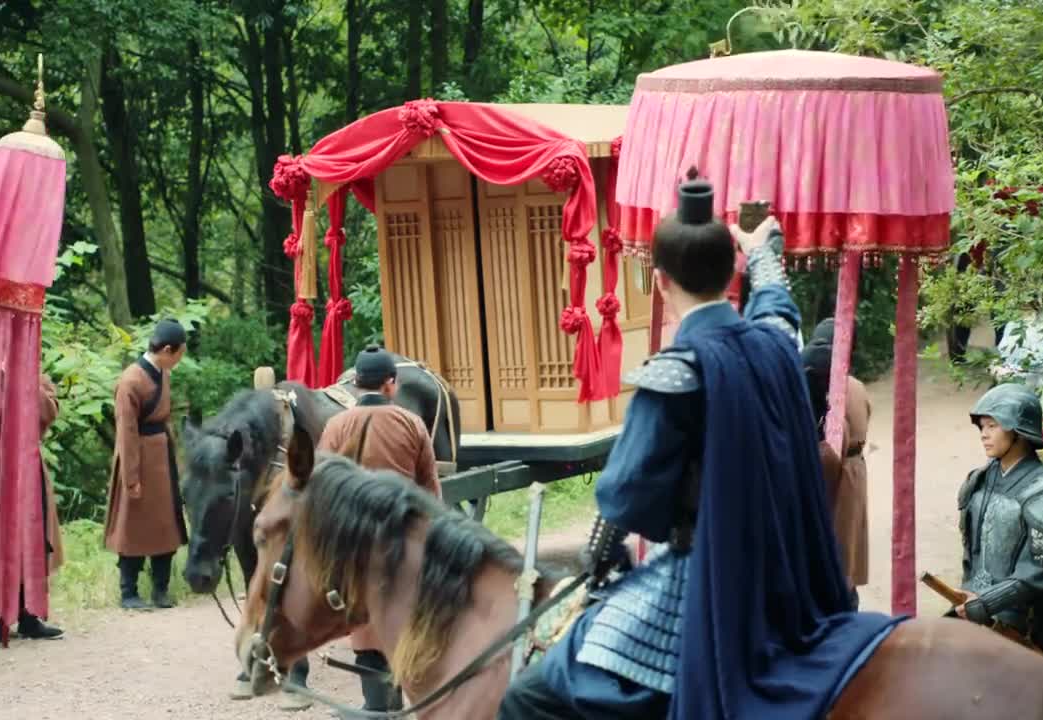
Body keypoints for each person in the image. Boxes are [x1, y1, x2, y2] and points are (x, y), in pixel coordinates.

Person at [497, 175, 900, 720]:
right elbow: (778, 308)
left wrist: (600, 558)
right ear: (730, 270)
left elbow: (626, 501)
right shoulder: (776, 346)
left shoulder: (674, 374)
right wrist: (763, 251)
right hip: (791, 576)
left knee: (528, 698)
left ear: (660, 281)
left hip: (705, 583)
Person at [317, 345, 441, 714]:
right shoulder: (412, 424)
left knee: (366, 628)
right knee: (405, 623)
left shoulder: (337, 426)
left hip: (357, 546)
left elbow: (322, 489)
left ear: (356, 383)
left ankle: (378, 706)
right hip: (403, 541)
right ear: (391, 384)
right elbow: (430, 492)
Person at [954, 383, 1043, 662]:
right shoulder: (977, 482)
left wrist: (989, 602)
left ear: (1018, 431)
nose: (984, 434)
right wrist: (972, 600)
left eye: (993, 426)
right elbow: (973, 557)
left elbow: (1039, 575)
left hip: (1025, 629)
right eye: (982, 426)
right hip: (973, 616)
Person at [104, 319, 190, 610]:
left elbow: (166, 419)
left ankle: (160, 589)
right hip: (138, 458)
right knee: (133, 525)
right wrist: (131, 478)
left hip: (161, 459)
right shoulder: (130, 381)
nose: (179, 360)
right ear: (167, 350)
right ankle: (128, 592)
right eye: (179, 354)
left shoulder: (163, 374)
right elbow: (126, 433)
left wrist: (176, 460)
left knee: (165, 524)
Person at [0, 372, 67, 644]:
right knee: (1, 543)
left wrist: (23, 378)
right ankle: (1, 619)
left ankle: (29, 616)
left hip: (29, 466)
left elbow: (48, 413)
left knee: (33, 540)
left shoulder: (35, 375)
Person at [803, 318, 872, 610]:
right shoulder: (855, 385)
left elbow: (833, 445)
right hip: (852, 470)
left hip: (835, 473)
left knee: (834, 552)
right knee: (847, 552)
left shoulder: (832, 390)